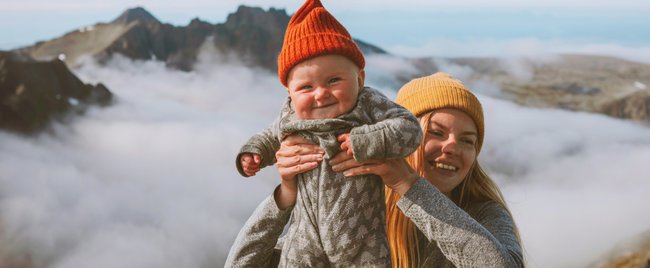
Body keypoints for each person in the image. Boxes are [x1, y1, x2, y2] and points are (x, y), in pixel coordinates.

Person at [226, 73, 524, 267]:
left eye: (468, 141)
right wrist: (286, 195)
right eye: (436, 132)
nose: (452, 147)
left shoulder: (483, 214)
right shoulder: (358, 205)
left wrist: (408, 183)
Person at [233, 0, 422, 266]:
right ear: (290, 93)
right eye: (306, 87)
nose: (321, 93)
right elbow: (270, 136)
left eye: (334, 80)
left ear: (359, 79)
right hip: (304, 242)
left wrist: (367, 141)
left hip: (362, 243)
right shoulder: (290, 116)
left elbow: (409, 129)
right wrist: (253, 153)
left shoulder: (367, 104)